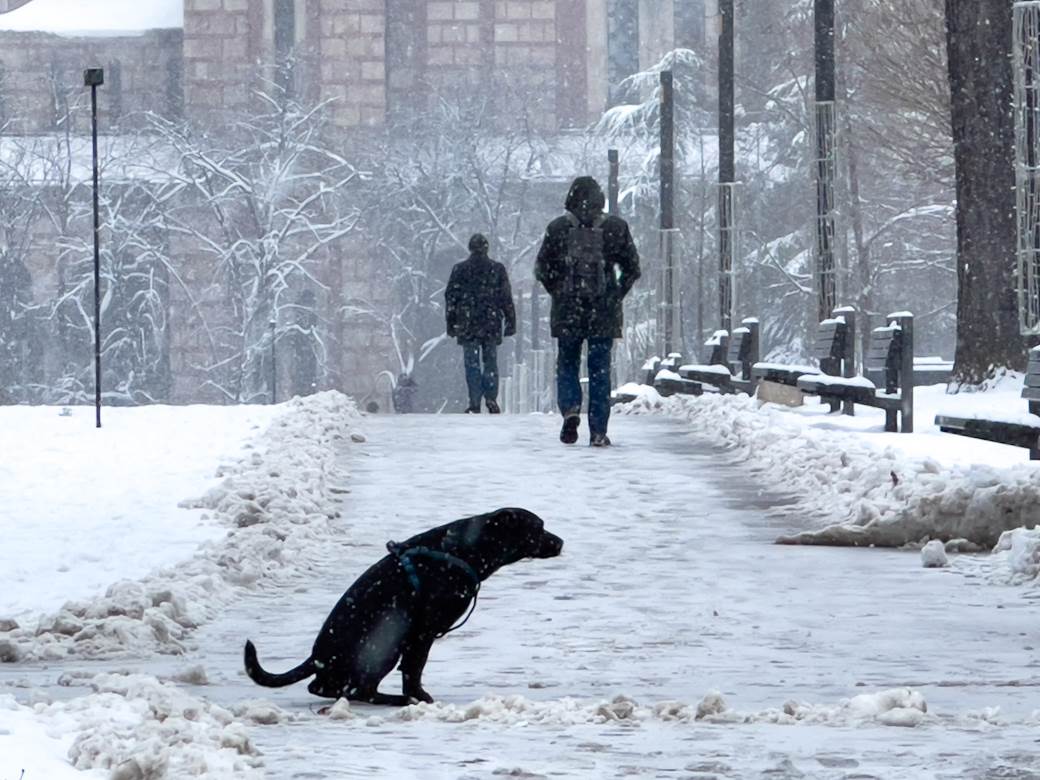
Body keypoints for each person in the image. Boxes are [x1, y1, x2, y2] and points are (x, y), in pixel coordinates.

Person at [535, 176, 640, 446]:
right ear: (600, 199)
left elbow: (542, 269)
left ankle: (570, 409)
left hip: (568, 311)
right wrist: (615, 294)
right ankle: (598, 431)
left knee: (567, 363)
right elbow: (632, 268)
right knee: (599, 370)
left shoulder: (558, 228)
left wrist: (559, 291)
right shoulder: (616, 227)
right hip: (602, 312)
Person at [445, 233, 516, 413]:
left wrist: (451, 323)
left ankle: (475, 401)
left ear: (470, 248)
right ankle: (491, 397)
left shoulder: (459, 269)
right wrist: (510, 320)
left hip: (467, 323)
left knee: (472, 363)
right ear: (486, 248)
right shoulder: (497, 269)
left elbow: (451, 298)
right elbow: (505, 297)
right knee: (490, 361)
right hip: (490, 322)